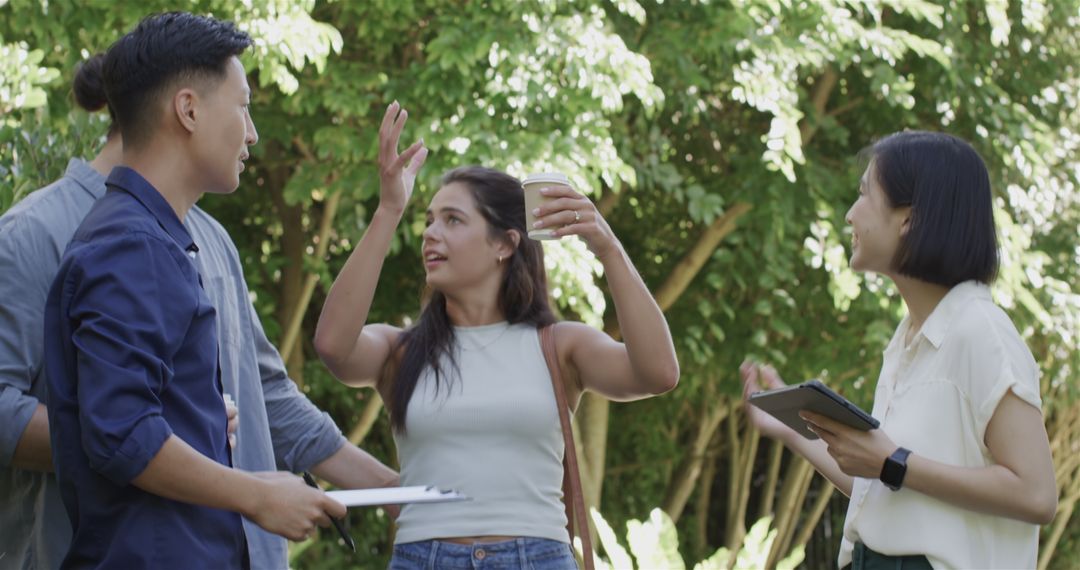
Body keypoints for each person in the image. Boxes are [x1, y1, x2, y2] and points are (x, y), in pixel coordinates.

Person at [0, 49, 399, 570]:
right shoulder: (35, 233)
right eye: (242, 107)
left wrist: (394, 490)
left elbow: (266, 394)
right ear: (185, 110)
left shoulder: (210, 239)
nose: (253, 134)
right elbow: (113, 431)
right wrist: (168, 441)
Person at [313, 102, 680, 569]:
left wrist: (607, 247)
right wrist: (389, 210)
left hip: (537, 556)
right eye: (428, 221)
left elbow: (659, 373)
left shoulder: (559, 345)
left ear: (505, 244)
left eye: (453, 220)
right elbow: (333, 346)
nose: (430, 235)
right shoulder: (400, 350)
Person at [740, 131, 1057, 569]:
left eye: (864, 195)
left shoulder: (982, 333)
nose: (850, 216)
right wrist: (788, 427)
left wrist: (895, 463)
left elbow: (1037, 495)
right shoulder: (907, 337)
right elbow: (885, 489)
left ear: (907, 218)